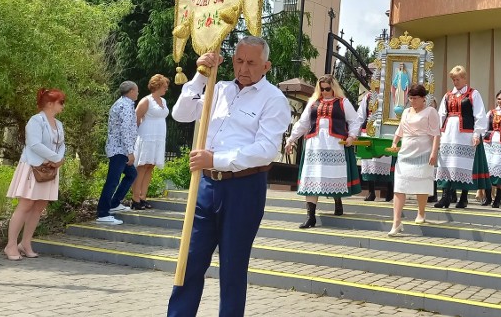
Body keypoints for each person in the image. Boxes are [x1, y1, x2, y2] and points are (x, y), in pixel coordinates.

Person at [167, 36, 290, 317]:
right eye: (238, 61)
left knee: (233, 268)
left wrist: (217, 159)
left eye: (251, 63)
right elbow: (181, 114)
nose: (243, 68)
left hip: (244, 188)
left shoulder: (274, 99)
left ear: (266, 66)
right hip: (206, 185)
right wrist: (200, 75)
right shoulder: (217, 87)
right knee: (190, 260)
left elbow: (266, 150)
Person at [285, 75, 362, 227]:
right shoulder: (313, 102)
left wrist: (352, 136)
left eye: (327, 89)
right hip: (315, 144)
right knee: (313, 177)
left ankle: (337, 200)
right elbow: (303, 123)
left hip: (334, 144)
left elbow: (354, 121)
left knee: (332, 175)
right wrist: (291, 139)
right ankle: (310, 217)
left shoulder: (343, 102)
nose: (325, 92)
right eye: (322, 89)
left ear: (333, 88)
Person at [4, 88, 67, 260]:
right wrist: (54, 158)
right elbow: (34, 144)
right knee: (26, 204)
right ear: (49, 103)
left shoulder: (58, 124)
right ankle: (10, 245)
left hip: (49, 170)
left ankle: (25, 243)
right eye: (60, 102)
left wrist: (59, 159)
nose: (63, 105)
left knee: (39, 207)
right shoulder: (35, 121)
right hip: (34, 168)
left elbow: (62, 144)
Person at [388, 84, 440, 235]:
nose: (412, 101)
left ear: (423, 98)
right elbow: (400, 130)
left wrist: (434, 153)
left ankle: (421, 212)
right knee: (399, 186)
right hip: (406, 151)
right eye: (410, 98)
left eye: (415, 98)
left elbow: (436, 133)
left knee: (422, 183)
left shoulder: (431, 111)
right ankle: (396, 222)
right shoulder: (405, 112)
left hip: (423, 150)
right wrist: (394, 142)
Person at [434, 65, 489, 209]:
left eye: (457, 79)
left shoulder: (473, 94)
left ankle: (463, 198)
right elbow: (441, 115)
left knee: (464, 164)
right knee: (446, 162)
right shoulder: (448, 95)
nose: (455, 82)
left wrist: (477, 133)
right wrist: (438, 134)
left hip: (465, 134)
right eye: (453, 79)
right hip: (448, 134)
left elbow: (479, 115)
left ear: (464, 79)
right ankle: (445, 196)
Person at [96, 81, 139, 225]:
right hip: (119, 150)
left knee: (132, 174)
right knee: (112, 181)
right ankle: (103, 213)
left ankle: (114, 203)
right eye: (137, 91)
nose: (138, 94)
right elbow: (125, 130)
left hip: (118, 148)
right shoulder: (125, 106)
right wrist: (130, 152)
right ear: (131, 91)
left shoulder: (121, 103)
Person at [131, 74, 170, 210]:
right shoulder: (146, 100)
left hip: (159, 137)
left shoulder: (163, 101)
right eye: (164, 86)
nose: (166, 89)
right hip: (147, 135)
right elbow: (136, 117)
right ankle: (135, 198)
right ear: (157, 86)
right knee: (142, 166)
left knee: (150, 166)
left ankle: (143, 197)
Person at [358, 84, 395, 202]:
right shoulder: (368, 97)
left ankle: (390, 191)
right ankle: (371, 192)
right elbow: (361, 115)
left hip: (385, 131)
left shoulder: (391, 96)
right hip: (369, 130)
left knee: (387, 159)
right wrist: (356, 132)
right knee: (369, 160)